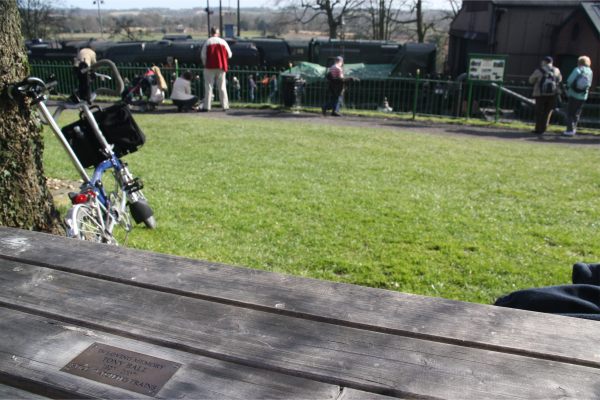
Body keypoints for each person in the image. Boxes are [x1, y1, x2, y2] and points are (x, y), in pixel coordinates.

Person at [200, 27, 232, 111]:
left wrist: (205, 63)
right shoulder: (223, 42)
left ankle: (207, 106)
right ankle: (225, 106)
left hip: (209, 67)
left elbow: (203, 56)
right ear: (218, 33)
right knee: (222, 87)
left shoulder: (207, 42)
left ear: (210, 33)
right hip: (221, 66)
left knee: (208, 87)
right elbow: (229, 55)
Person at [528, 56, 562, 134]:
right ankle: (544, 128)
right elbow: (559, 79)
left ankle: (538, 129)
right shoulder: (556, 70)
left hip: (540, 94)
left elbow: (531, 80)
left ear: (544, 62)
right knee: (548, 112)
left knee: (539, 111)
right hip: (552, 94)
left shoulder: (539, 70)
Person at [564, 56, 593, 136]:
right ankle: (574, 129)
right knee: (577, 113)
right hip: (583, 96)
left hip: (573, 94)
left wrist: (568, 88)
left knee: (570, 113)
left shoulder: (577, 69)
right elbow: (589, 84)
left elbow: (569, 80)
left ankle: (569, 130)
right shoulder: (590, 71)